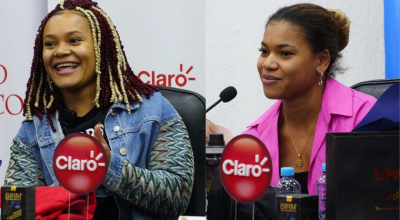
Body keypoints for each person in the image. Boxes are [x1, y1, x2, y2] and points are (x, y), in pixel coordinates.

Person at [4, 0, 194, 219]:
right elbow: (15, 211)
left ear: (101, 48)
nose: (60, 51)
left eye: (74, 40)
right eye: (50, 44)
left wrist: (108, 166)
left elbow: (178, 197)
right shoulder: (33, 131)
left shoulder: (153, 110)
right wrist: (62, 200)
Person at [207, 3, 376, 196]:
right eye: (264, 51)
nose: (268, 63)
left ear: (321, 61)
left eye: (285, 53)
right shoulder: (255, 138)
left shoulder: (367, 118)